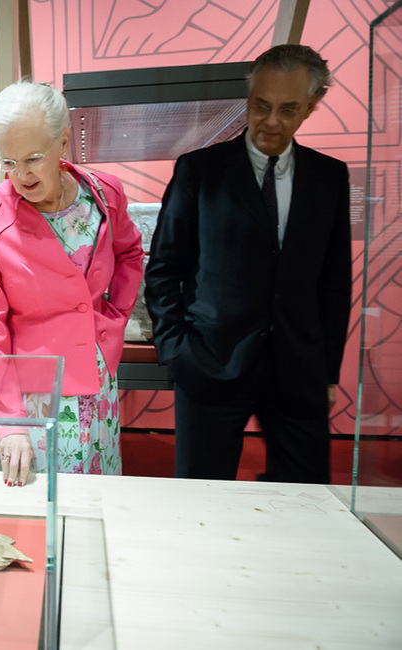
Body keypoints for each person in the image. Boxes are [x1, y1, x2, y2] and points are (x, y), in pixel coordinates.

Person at [144, 44, 352, 484]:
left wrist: (327, 370)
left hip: (298, 372)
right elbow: (164, 268)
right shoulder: (199, 171)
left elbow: (335, 282)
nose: (271, 121)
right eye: (261, 105)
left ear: (312, 105)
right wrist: (177, 352)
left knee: (306, 504)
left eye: (288, 108)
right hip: (209, 366)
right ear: (249, 97)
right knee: (201, 501)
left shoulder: (329, 177)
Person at [0, 81, 144, 486]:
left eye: (32, 158)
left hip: (96, 387)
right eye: (7, 162)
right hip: (29, 394)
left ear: (63, 143)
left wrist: (112, 319)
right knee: (30, 512)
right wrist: (10, 425)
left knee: (94, 504)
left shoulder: (104, 194)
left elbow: (130, 253)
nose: (20, 175)